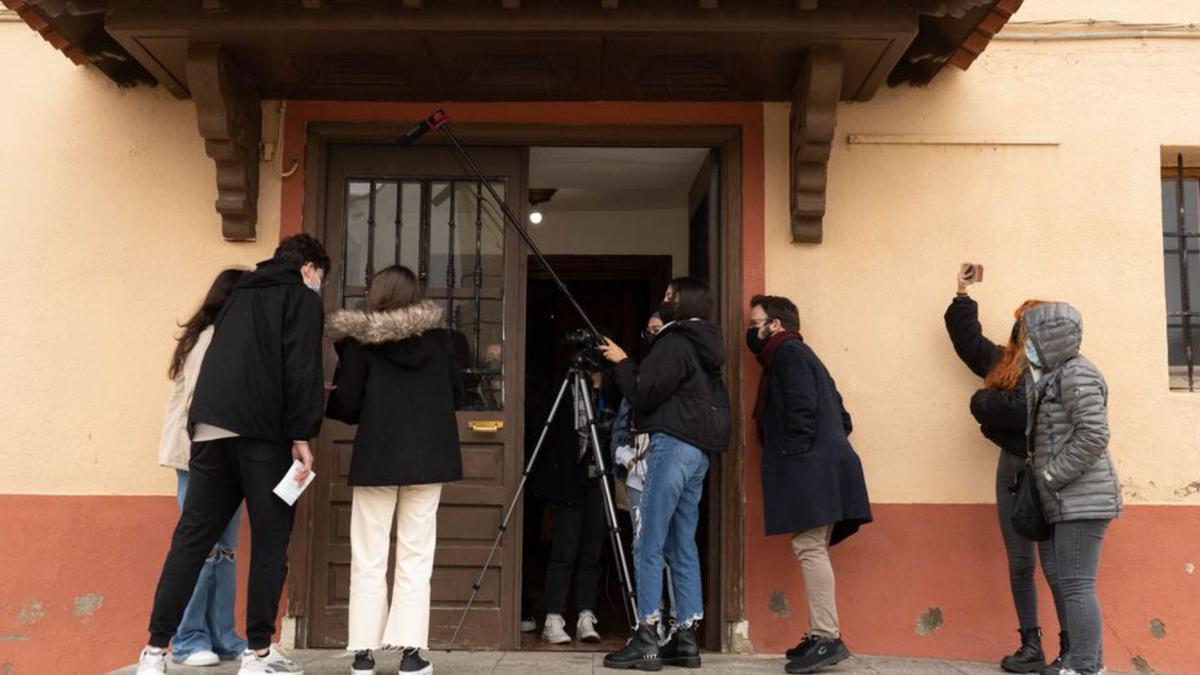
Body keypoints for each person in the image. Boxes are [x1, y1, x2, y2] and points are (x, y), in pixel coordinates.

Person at [138, 234, 330, 675]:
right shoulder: (300, 298)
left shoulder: (238, 296)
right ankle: (258, 654)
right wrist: (302, 434)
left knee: (190, 541)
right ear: (309, 269)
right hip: (262, 434)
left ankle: (153, 651)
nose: (318, 285)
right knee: (269, 541)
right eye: (319, 278)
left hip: (208, 432)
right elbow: (301, 367)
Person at [325, 265, 465, 675]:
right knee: (416, 556)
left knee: (367, 554)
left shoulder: (363, 342)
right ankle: (411, 654)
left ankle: (363, 655)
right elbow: (457, 393)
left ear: (378, 294)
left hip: (377, 458)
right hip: (429, 459)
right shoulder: (441, 340)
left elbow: (347, 402)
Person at [600, 278, 730, 671]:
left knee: (648, 542)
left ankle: (647, 635)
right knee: (681, 543)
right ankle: (685, 638)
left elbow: (642, 393)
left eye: (670, 296)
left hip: (671, 446)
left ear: (683, 302)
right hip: (698, 453)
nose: (664, 300)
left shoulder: (673, 341)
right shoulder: (706, 344)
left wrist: (622, 362)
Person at [944, 269, 1069, 674]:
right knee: (1020, 562)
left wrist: (988, 410)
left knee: (1054, 565)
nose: (1029, 337)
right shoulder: (1004, 362)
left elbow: (1025, 415)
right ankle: (1030, 645)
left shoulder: (1063, 372)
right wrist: (962, 293)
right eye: (1025, 329)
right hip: (1012, 472)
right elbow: (967, 341)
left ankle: (1070, 647)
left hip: (1051, 473)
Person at [745, 296, 872, 674]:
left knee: (809, 545)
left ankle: (827, 637)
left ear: (776, 325)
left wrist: (796, 453)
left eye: (756, 323)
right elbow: (842, 416)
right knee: (810, 545)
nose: (751, 331)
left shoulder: (787, 355)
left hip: (810, 468)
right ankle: (821, 635)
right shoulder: (800, 354)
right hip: (823, 466)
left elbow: (802, 405)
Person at [157, 268, 250, 667]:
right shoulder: (209, 340)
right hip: (199, 457)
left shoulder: (218, 337)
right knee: (202, 548)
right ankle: (188, 638)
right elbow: (201, 402)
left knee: (224, 550)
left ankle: (223, 636)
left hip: (222, 456)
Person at [1023, 303, 1121, 675]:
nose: (1028, 344)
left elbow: (1094, 434)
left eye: (1033, 337)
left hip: (1081, 500)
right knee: (1069, 584)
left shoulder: (1077, 374)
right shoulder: (1058, 374)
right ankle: (1089, 665)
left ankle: (1083, 667)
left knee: (1077, 586)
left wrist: (1050, 476)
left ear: (1052, 337)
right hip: (1067, 501)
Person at [530, 363, 619, 645]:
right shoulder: (564, 392)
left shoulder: (610, 396)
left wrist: (599, 391)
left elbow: (612, 433)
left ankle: (585, 614)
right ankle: (553, 617)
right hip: (568, 478)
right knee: (564, 548)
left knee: (592, 549)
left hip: (599, 478)